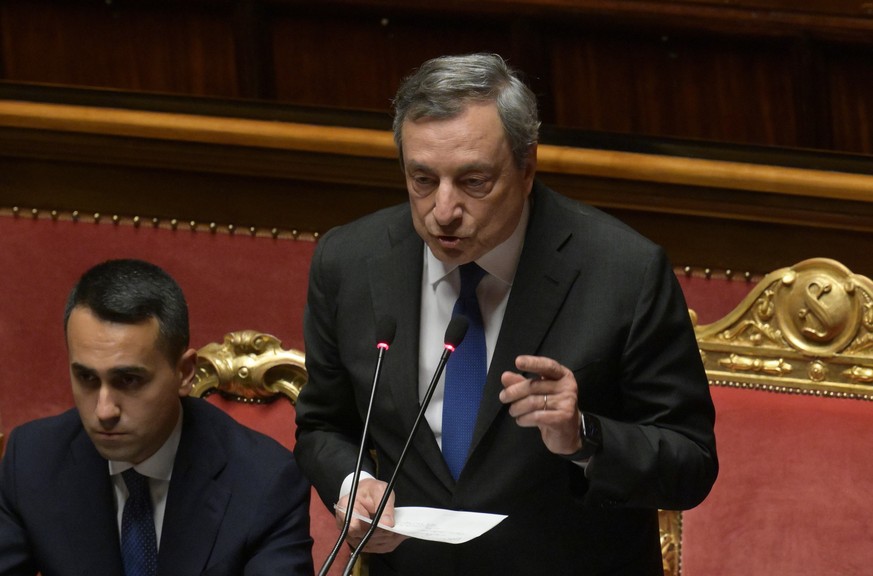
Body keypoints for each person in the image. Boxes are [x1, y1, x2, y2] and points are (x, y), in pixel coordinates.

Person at [294, 53, 718, 575]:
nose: (443, 210)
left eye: (474, 182)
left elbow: (690, 462)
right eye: (422, 180)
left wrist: (582, 434)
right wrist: (352, 485)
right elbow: (322, 426)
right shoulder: (350, 263)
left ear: (526, 167)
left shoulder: (622, 272)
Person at [0, 258, 315, 576]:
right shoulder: (30, 461)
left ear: (184, 373)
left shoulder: (264, 482)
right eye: (87, 379)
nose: (104, 411)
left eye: (129, 380)